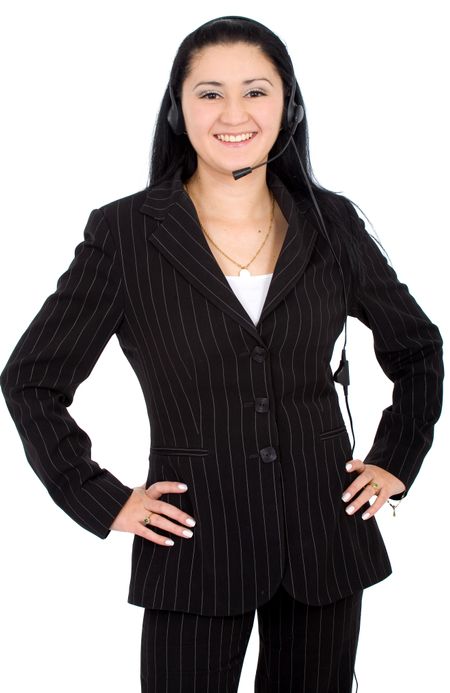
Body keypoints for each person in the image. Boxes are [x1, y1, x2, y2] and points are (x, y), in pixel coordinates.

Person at [0, 15, 444, 693]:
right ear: (178, 109)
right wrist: (101, 498)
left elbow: (418, 349)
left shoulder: (333, 222)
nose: (233, 113)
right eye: (209, 93)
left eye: (256, 91)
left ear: (288, 105)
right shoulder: (125, 233)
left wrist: (395, 459)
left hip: (325, 542)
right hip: (194, 546)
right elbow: (31, 379)